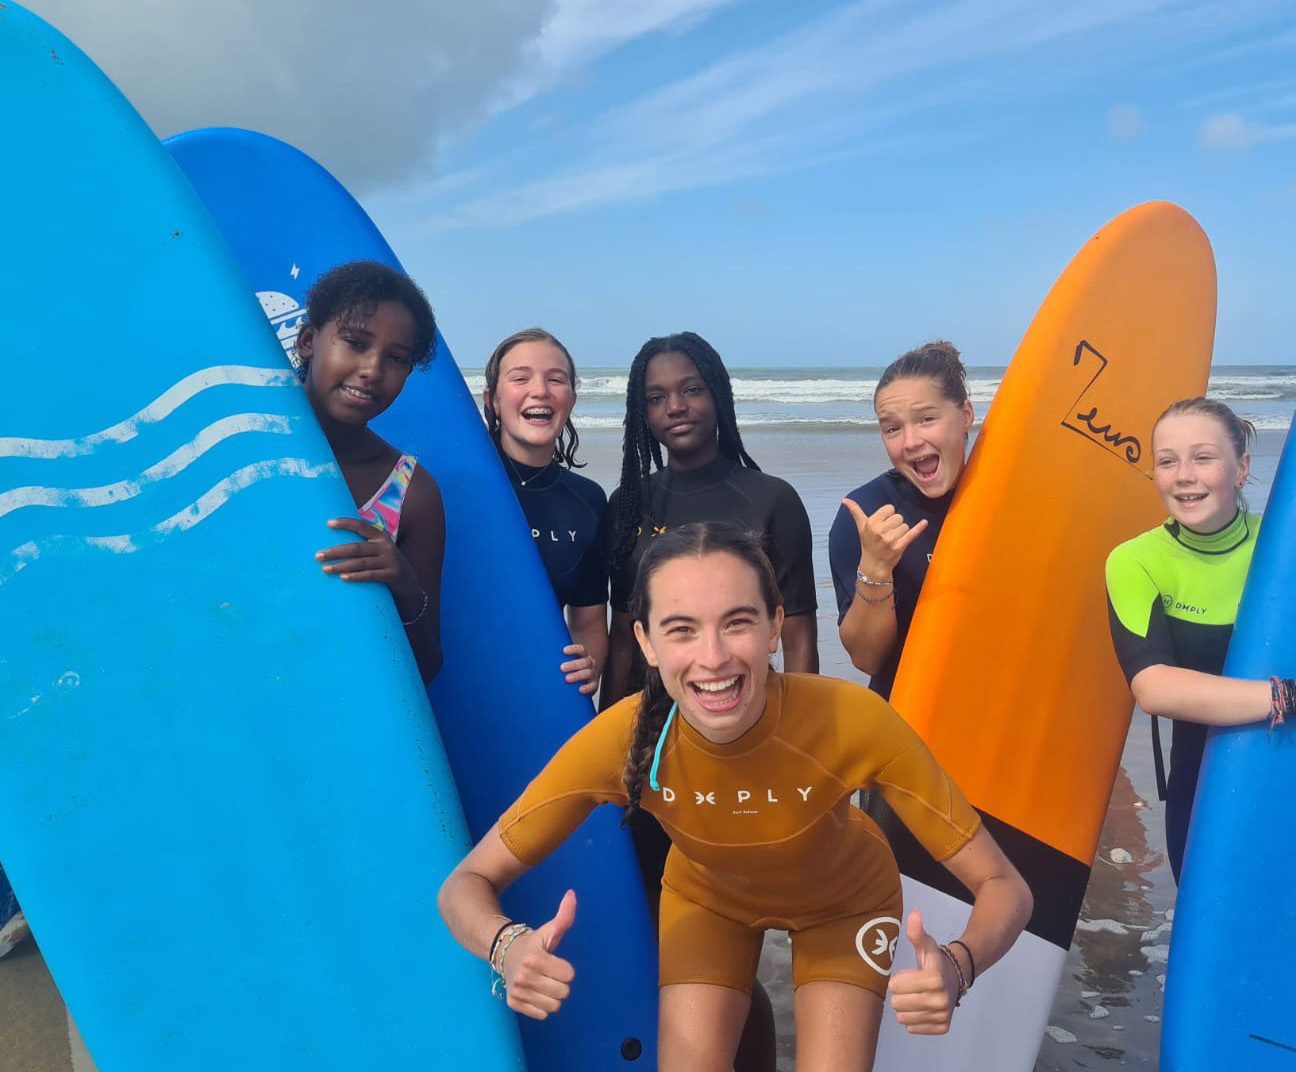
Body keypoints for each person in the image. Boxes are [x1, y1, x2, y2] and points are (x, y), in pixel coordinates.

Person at [438, 523, 1032, 1072]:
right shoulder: (620, 739)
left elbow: (1007, 888)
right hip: (709, 902)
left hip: (846, 903)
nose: (714, 656)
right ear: (645, 643)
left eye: (738, 622)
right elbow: (463, 886)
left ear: (776, 624)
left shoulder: (856, 722)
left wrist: (959, 965)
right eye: (682, 629)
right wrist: (506, 947)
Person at [1104, 396, 1296, 879]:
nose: (1184, 474)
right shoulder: (1135, 561)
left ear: (1241, 468)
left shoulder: (1289, 545)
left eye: (1203, 457)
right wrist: (1294, 694)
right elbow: (1153, 687)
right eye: (1167, 461)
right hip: (1206, 787)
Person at [601, 332, 818, 708]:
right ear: (643, 415)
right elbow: (622, 637)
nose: (675, 407)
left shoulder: (773, 500)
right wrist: (608, 733)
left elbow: (798, 639)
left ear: (718, 395)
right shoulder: (627, 503)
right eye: (656, 398)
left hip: (739, 709)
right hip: (649, 725)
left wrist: (797, 734)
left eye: (692, 390)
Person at [298, 260, 446, 683]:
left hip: (337, 713)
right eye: (355, 343)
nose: (373, 370)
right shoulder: (238, 450)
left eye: (397, 358)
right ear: (309, 339)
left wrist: (402, 582)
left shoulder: (410, 492)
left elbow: (429, 667)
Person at [829, 341, 973, 698]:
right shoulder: (866, 514)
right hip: (910, 720)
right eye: (892, 429)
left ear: (966, 415)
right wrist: (876, 568)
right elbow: (868, 659)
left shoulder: (1014, 499)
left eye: (927, 419)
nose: (910, 441)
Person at [482, 327, 607, 696]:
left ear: (570, 400)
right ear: (493, 399)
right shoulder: (453, 487)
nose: (540, 390)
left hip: (541, 695)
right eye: (520, 378)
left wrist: (589, 663)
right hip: (450, 688)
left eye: (556, 379)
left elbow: (588, 621)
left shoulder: (587, 500)